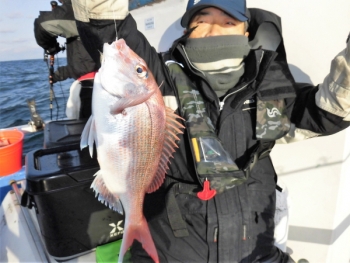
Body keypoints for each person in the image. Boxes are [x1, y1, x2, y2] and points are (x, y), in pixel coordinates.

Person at [71, 0, 350, 262]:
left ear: (247, 31)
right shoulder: (158, 76)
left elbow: (326, 113)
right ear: (186, 31)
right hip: (170, 253)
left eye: (228, 22)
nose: (213, 31)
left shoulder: (268, 89)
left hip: (256, 251)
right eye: (201, 22)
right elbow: (103, 22)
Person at [34, 0, 96, 84]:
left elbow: (41, 24)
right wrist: (60, 74)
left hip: (94, 82)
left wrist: (52, 48)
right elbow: (86, 58)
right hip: (100, 77)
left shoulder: (77, 7)